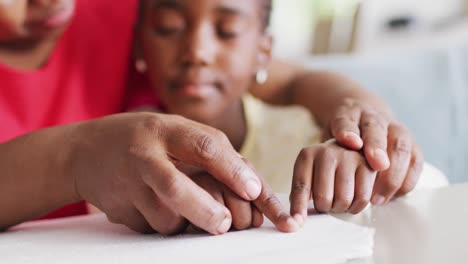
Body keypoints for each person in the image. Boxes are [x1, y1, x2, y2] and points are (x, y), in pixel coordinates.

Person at [0, 0, 425, 235]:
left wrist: (361, 121)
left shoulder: (119, 13)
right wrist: (75, 158)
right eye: (167, 26)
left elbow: (286, 80)